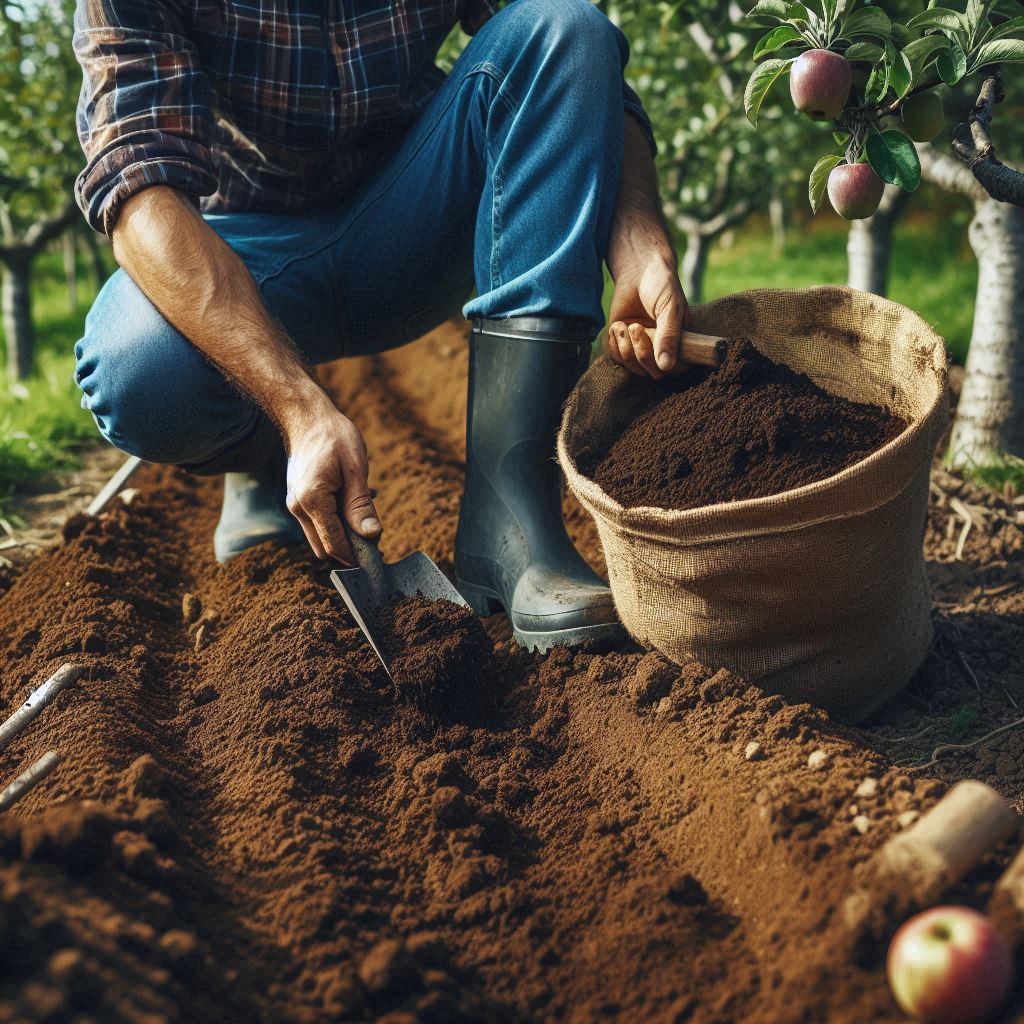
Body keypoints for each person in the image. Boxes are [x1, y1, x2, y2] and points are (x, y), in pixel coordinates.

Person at [72, 0, 688, 651]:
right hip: (247, 251)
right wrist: (297, 409)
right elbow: (137, 187)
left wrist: (638, 234)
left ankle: (512, 528)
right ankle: (261, 457)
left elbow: (570, 58)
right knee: (140, 372)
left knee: (570, 24)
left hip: (413, 215)